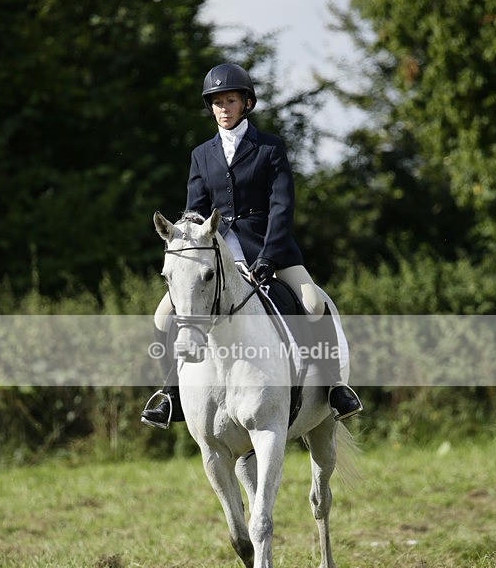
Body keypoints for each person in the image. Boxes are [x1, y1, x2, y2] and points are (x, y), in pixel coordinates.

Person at [141, 62, 362, 428]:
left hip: (269, 248)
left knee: (312, 303)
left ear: (246, 103)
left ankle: (334, 386)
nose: (223, 109)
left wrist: (269, 258)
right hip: (216, 257)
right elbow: (195, 212)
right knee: (163, 316)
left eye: (230, 101)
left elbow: (281, 208)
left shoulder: (270, 148)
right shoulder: (201, 154)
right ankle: (171, 393)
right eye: (217, 102)